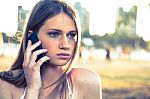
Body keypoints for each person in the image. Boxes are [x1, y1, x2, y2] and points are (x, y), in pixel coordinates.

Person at [0, 0, 102, 99]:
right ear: (32, 37)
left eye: (71, 35)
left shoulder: (87, 81)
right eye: (54, 34)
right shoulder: (5, 84)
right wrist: (32, 89)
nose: (65, 45)